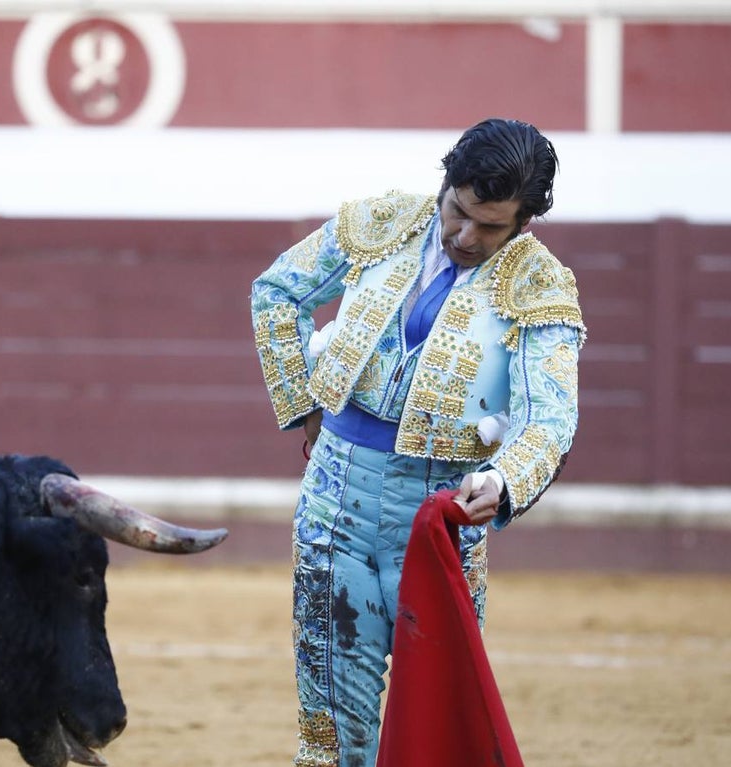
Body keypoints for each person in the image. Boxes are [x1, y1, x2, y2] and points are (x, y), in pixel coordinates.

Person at [250, 117, 585, 767]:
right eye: (459, 212)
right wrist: (303, 404)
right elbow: (277, 292)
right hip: (335, 498)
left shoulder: (541, 285)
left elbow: (551, 418)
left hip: (439, 517)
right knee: (331, 733)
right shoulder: (380, 224)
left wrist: (502, 480)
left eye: (490, 227)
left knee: (438, 730)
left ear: (524, 222)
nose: (466, 235)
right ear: (446, 183)